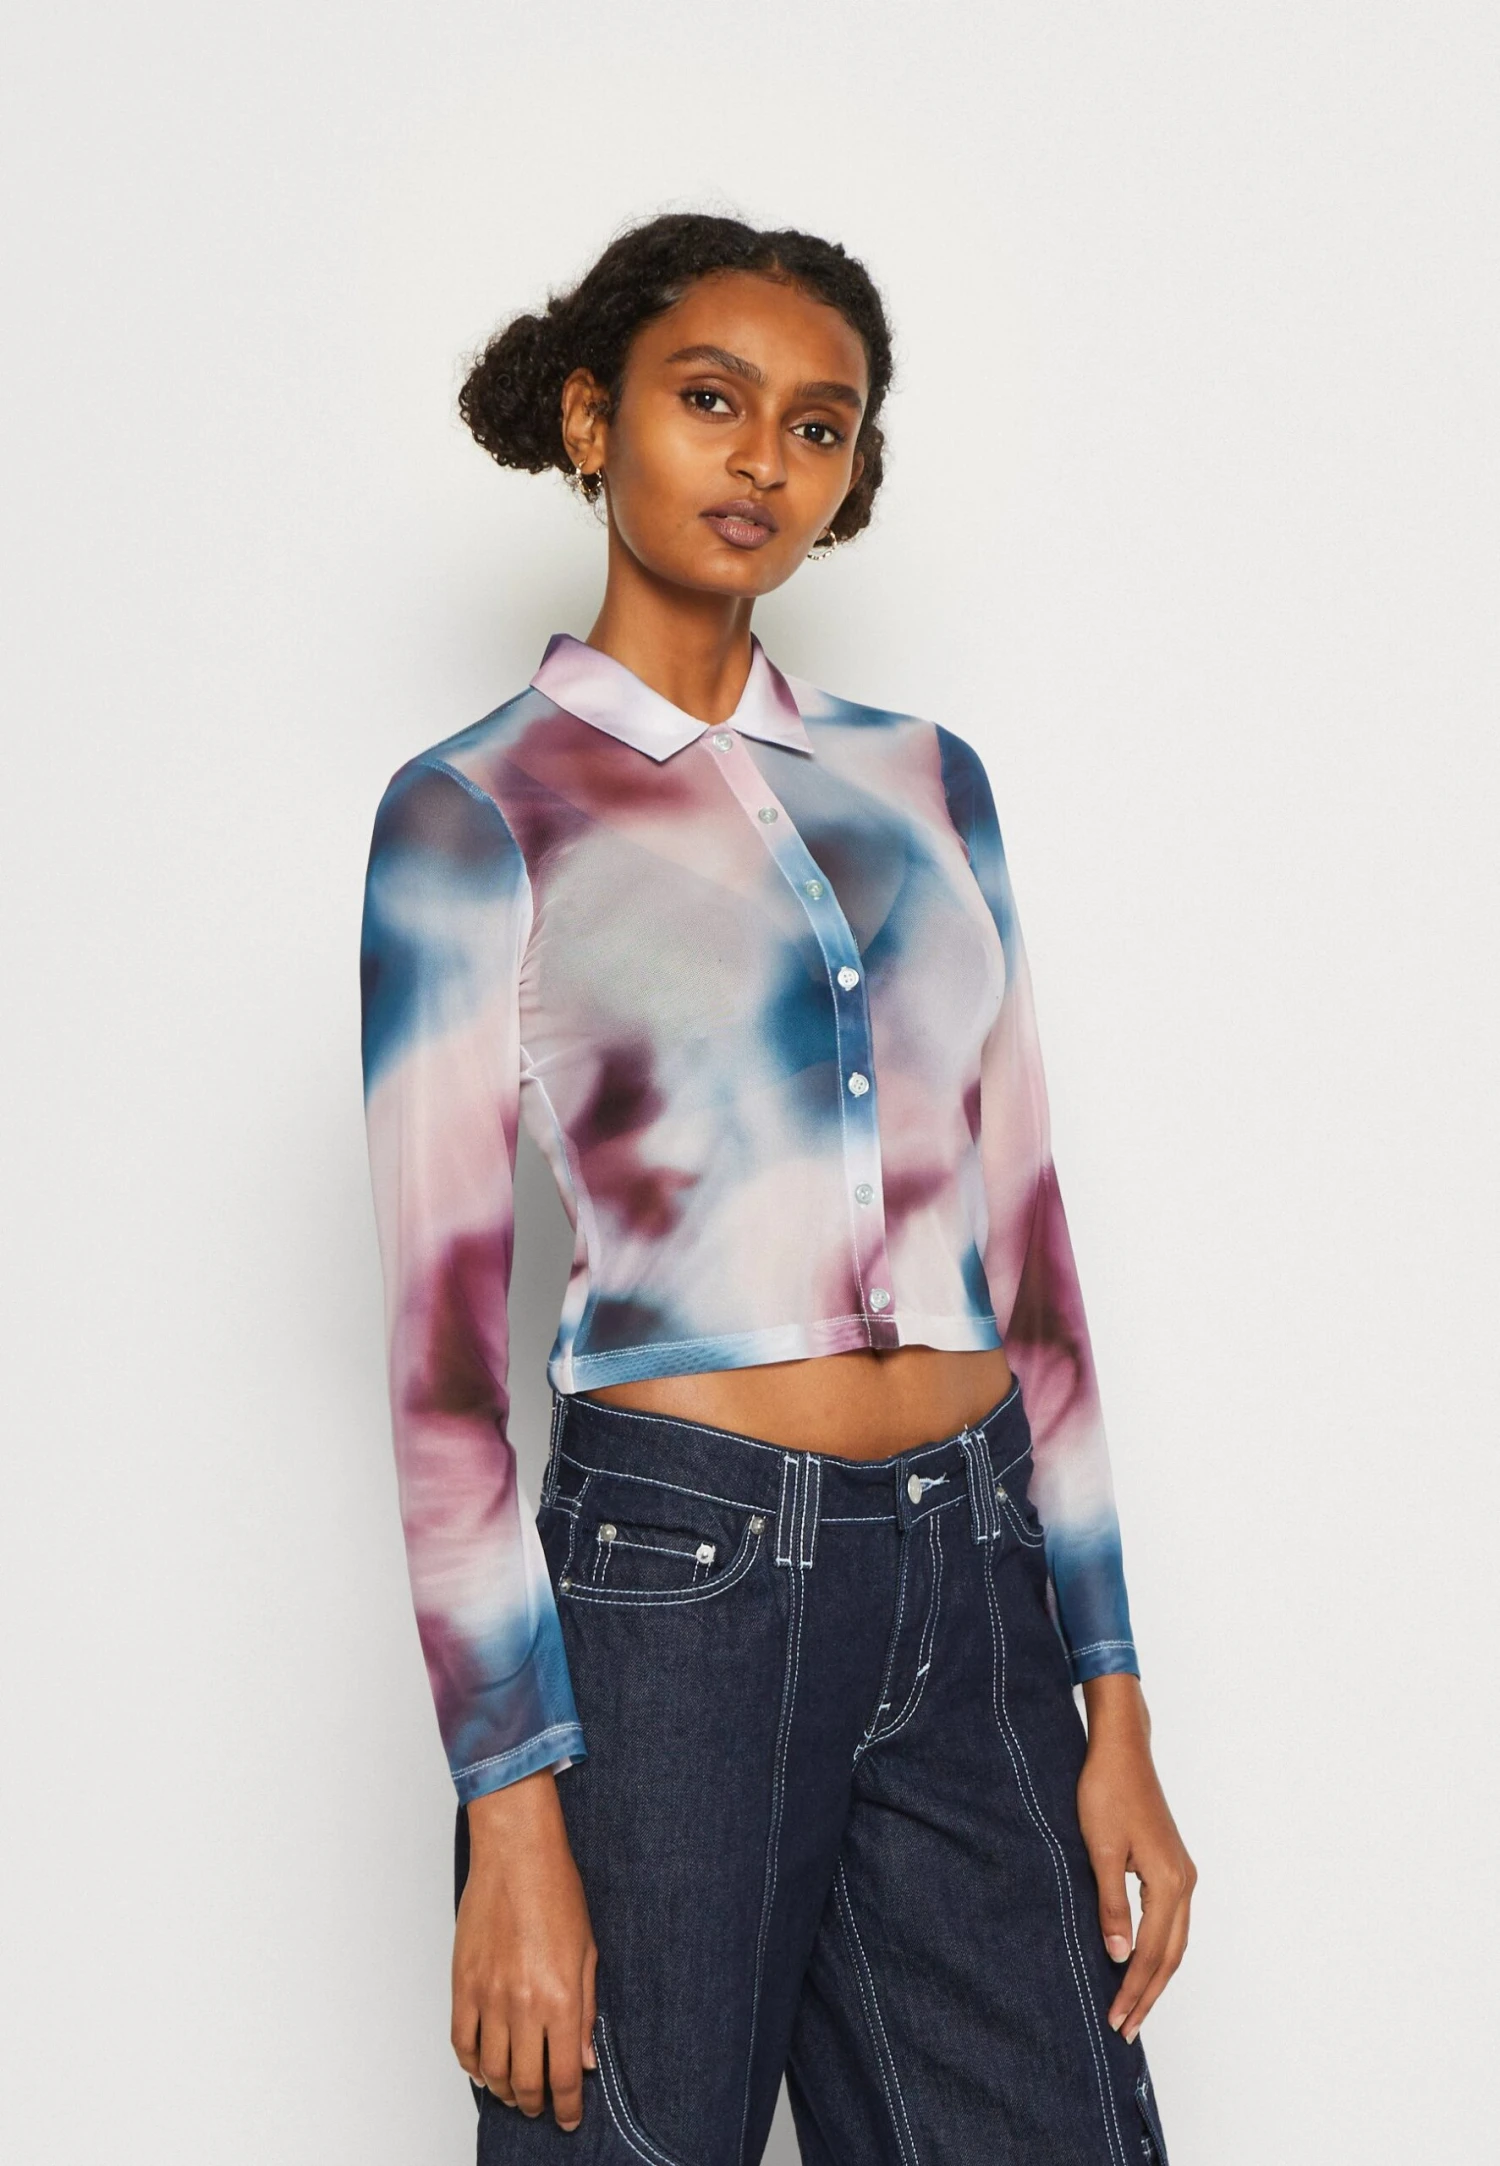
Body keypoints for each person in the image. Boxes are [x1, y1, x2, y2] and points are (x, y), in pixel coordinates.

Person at [359, 210, 1194, 2166]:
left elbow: (1031, 1255)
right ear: (592, 418)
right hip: (679, 1597)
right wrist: (511, 1815)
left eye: (819, 426)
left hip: (974, 1572)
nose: (764, 460)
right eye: (711, 400)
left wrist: (1115, 1696)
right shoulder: (474, 814)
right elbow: (441, 1376)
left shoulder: (929, 784)